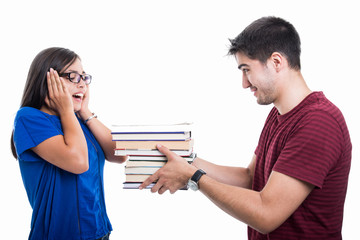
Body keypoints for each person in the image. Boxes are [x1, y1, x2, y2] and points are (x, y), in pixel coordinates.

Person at [140, 16, 352, 239]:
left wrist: (194, 177)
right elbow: (251, 177)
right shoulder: (278, 114)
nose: (244, 83)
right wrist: (187, 161)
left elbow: (266, 214)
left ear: (277, 62)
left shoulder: (319, 122)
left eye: (246, 69)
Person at [11, 47, 127, 240]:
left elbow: (119, 154)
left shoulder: (77, 121)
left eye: (84, 77)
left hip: (99, 232)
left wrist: (85, 112)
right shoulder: (29, 118)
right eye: (73, 76)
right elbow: (79, 163)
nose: (82, 84)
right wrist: (67, 111)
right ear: (47, 80)